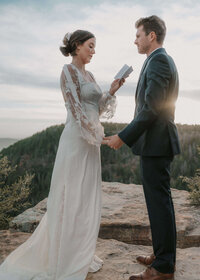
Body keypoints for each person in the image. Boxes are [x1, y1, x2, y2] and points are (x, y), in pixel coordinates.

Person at [0, 30, 124, 280]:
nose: (93, 51)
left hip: (90, 140)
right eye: (90, 46)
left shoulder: (90, 75)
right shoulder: (68, 72)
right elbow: (77, 111)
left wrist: (110, 91)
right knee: (70, 195)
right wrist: (95, 136)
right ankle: (63, 255)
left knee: (86, 195)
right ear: (77, 46)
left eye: (95, 47)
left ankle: (79, 250)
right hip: (77, 140)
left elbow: (96, 109)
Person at [104, 16, 180, 280]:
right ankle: (162, 256)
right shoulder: (157, 59)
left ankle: (163, 267)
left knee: (159, 204)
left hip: (157, 144)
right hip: (157, 143)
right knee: (160, 203)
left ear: (152, 36)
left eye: (138, 35)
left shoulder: (158, 60)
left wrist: (123, 137)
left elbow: (151, 108)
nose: (134, 40)